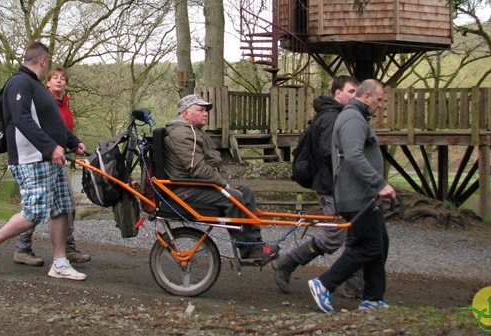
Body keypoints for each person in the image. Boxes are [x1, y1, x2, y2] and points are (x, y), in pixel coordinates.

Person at [0, 42, 88, 281]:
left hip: (49, 159)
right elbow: (21, 119)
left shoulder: (36, 86)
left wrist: (72, 142)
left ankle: (59, 263)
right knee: (34, 212)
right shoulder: (19, 83)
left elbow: (51, 123)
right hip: (31, 159)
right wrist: (49, 148)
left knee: (61, 209)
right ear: (43, 62)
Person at [308, 79, 397, 313]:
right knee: (368, 245)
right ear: (366, 96)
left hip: (364, 194)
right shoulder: (352, 119)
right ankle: (324, 284)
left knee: (379, 244)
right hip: (356, 195)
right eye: (378, 100)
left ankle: (373, 298)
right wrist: (380, 184)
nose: (380, 105)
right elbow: (354, 156)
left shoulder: (356, 118)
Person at [162, 94, 279, 264]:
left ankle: (255, 244)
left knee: (245, 192)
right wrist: (225, 185)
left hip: (196, 186)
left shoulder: (195, 132)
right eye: (200, 110)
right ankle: (248, 251)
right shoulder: (182, 135)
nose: (206, 113)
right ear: (185, 113)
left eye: (206, 110)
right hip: (185, 190)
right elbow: (199, 169)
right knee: (235, 197)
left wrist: (225, 185)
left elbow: (209, 162)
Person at [273, 75, 362, 295]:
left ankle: (355, 284)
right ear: (337, 93)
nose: (354, 96)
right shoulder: (331, 118)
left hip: (342, 186)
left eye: (356, 92)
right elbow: (328, 153)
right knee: (333, 238)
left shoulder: (339, 115)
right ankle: (288, 262)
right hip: (332, 186)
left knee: (358, 232)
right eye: (350, 91)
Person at [13, 67, 91, 266]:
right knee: (38, 204)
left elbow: (62, 130)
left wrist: (74, 143)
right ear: (47, 82)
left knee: (65, 205)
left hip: (58, 158)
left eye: (63, 79)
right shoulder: (43, 101)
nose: (58, 81)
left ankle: (67, 248)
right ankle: (21, 247)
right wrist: (52, 148)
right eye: (54, 78)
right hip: (40, 157)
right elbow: (39, 127)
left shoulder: (64, 104)